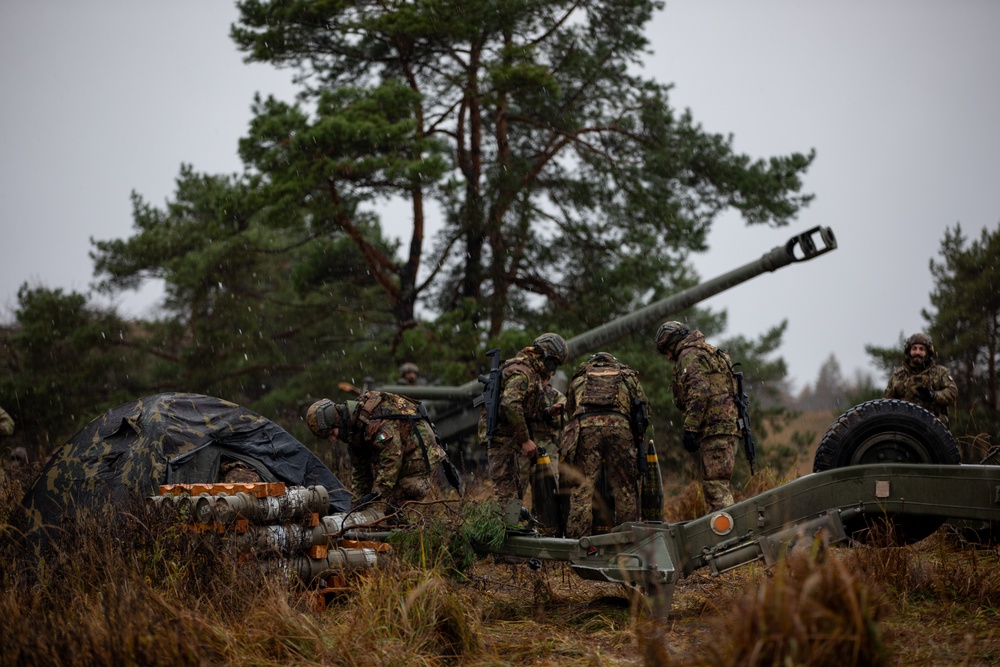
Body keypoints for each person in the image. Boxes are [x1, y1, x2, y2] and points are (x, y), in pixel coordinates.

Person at [560, 352, 649, 537]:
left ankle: (578, 545)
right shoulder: (626, 375)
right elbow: (643, 410)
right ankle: (627, 542)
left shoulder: (580, 376)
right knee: (625, 489)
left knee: (581, 490)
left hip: (586, 428)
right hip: (620, 427)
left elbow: (570, 410)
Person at [306, 390, 447, 509]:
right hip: (402, 455)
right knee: (378, 504)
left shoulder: (373, 423)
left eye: (332, 433)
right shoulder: (353, 431)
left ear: (336, 421)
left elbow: (392, 457)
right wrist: (357, 504)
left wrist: (376, 494)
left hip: (420, 457)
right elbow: (361, 472)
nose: (333, 439)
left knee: (395, 507)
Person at [655, 321, 740, 513]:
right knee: (719, 487)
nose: (669, 357)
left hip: (714, 431)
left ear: (674, 342)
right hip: (727, 429)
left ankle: (728, 537)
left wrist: (690, 428)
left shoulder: (689, 355)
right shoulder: (712, 351)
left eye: (668, 350)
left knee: (716, 490)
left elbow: (699, 391)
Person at [479, 332, 568, 515]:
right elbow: (510, 404)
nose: (551, 370)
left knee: (514, 497)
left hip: (510, 441)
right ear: (544, 354)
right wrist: (525, 440)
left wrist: (548, 413)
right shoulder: (523, 371)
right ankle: (505, 538)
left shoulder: (530, 372)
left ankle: (512, 532)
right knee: (507, 497)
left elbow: (526, 410)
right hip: (503, 439)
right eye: (552, 364)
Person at [884, 332, 958, 426]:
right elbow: (886, 402)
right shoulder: (898, 375)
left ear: (927, 352)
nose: (917, 352)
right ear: (909, 351)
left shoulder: (940, 373)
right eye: (914, 349)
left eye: (921, 349)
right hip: (905, 426)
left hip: (933, 427)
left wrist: (933, 396)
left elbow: (953, 392)